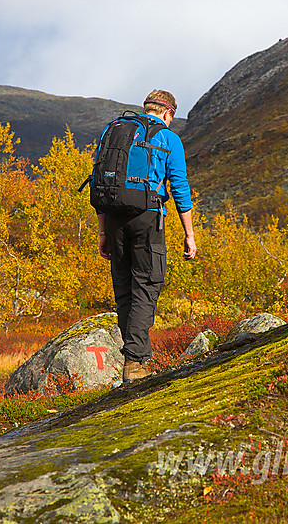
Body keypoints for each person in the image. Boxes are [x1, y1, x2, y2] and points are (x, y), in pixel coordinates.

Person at [96, 90, 197, 382]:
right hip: (148, 217)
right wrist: (189, 234)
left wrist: (102, 231)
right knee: (147, 285)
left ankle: (133, 357)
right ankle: (135, 363)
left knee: (125, 288)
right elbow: (179, 187)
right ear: (167, 114)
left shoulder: (113, 130)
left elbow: (99, 180)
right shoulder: (168, 138)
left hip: (113, 218)